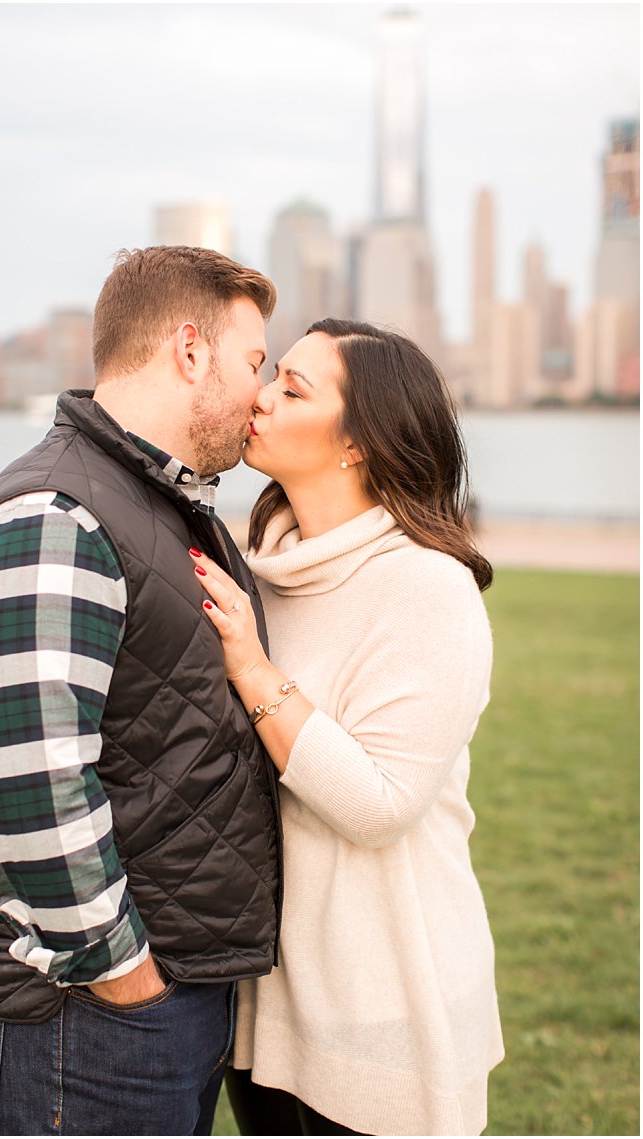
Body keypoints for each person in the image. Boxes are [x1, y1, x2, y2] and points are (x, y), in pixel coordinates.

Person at [0, 246, 284, 1135]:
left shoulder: (161, 505)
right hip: (90, 1015)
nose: (263, 392)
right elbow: (33, 785)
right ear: (188, 349)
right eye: (255, 362)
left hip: (160, 1000)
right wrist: (125, 977)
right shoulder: (53, 518)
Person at [192, 320, 502, 1135]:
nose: (260, 394)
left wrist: (256, 674)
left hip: (386, 1015)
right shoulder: (256, 571)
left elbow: (380, 802)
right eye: (274, 374)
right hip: (265, 1006)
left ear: (358, 443)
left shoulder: (428, 589)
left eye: (294, 389)